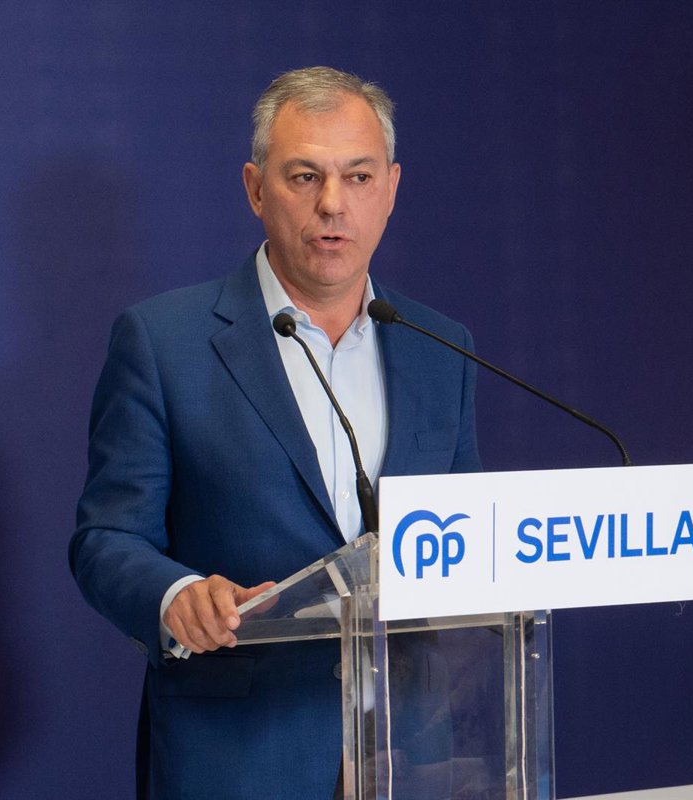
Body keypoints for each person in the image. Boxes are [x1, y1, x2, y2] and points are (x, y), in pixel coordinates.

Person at [70, 66, 481, 799]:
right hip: (239, 755)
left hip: (409, 754)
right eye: (305, 177)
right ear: (256, 188)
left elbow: (473, 545)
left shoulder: (441, 349)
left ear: (390, 189)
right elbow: (106, 539)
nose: (333, 204)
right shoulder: (164, 342)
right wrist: (177, 595)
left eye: (358, 177)